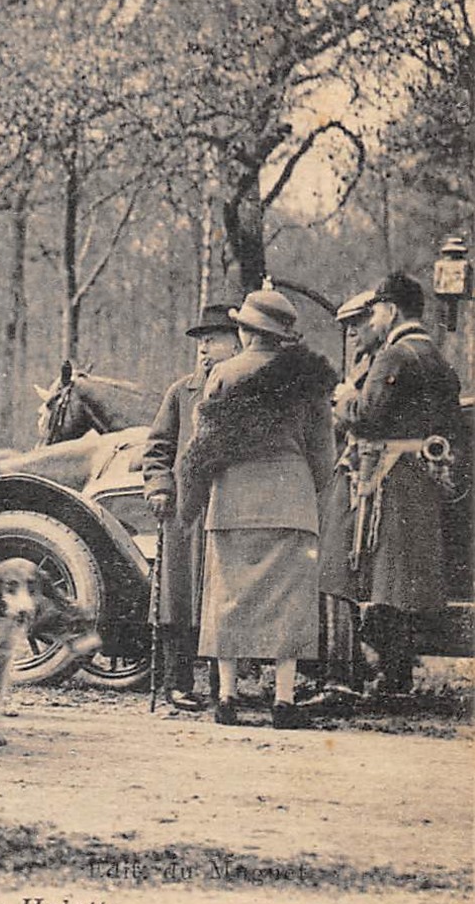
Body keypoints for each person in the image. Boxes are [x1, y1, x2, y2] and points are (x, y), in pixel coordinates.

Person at [177, 286, 337, 729]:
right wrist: (305, 490)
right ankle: (284, 701)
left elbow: (201, 447)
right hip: (291, 500)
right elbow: (323, 454)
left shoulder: (222, 375)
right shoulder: (309, 379)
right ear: (282, 335)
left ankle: (227, 698)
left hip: (233, 501)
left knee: (228, 596)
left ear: (247, 331)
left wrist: (194, 499)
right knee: (289, 603)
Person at [332, 273, 464, 695]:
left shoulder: (394, 357)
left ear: (390, 310)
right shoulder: (438, 358)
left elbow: (366, 416)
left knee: (385, 576)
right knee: (407, 577)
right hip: (424, 476)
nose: (373, 320)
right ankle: (396, 672)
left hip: (391, 477)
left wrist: (342, 398)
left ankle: (391, 674)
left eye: (375, 312)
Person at [141, 303, 241, 712]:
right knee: (177, 600)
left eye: (214, 340)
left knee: (224, 598)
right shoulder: (181, 392)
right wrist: (160, 488)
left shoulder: (245, 393)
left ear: (238, 342)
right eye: (200, 342)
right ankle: (176, 683)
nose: (204, 349)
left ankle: (225, 687)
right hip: (185, 512)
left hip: (232, 507)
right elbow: (157, 448)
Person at [311, 288, 386, 705]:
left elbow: (359, 417)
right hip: (353, 472)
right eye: (347, 329)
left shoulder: (383, 364)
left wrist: (341, 403)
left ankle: (342, 677)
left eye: (358, 326)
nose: (353, 336)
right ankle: (349, 670)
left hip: (365, 477)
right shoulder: (365, 364)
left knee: (336, 572)